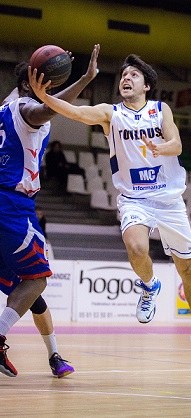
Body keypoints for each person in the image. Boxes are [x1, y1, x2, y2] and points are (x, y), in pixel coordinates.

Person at [29, 50, 191, 376]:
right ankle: (150, 285)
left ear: (146, 85)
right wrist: (45, 97)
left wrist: (163, 148)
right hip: (135, 198)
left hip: (170, 200)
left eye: (133, 75)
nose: (126, 78)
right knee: (136, 247)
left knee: (188, 271)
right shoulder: (110, 114)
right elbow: (74, 112)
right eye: (123, 75)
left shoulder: (161, 110)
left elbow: (177, 144)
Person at [0, 43, 100, 377]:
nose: (50, 91)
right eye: (45, 83)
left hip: (9, 201)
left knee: (29, 291)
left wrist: (44, 77)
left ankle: (55, 356)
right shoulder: (28, 107)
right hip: (10, 204)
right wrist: (84, 79)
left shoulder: (7, 104)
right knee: (38, 279)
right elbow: (46, 111)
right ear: (30, 84)